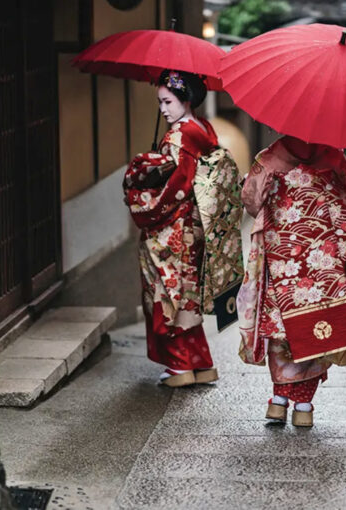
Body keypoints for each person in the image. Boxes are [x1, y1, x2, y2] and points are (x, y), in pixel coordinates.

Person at [237, 136, 346, 427]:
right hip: (321, 266)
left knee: (282, 327)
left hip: (282, 260)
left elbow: (251, 200)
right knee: (317, 327)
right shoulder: (334, 158)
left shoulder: (270, 158)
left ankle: (279, 401)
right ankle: (304, 405)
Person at [122, 70, 222, 387]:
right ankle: (201, 363)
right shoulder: (202, 128)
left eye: (168, 101)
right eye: (160, 102)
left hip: (174, 224)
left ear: (186, 99)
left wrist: (143, 199)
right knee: (185, 292)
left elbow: (178, 185)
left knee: (167, 292)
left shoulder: (180, 135)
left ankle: (180, 366)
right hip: (195, 222)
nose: (163, 109)